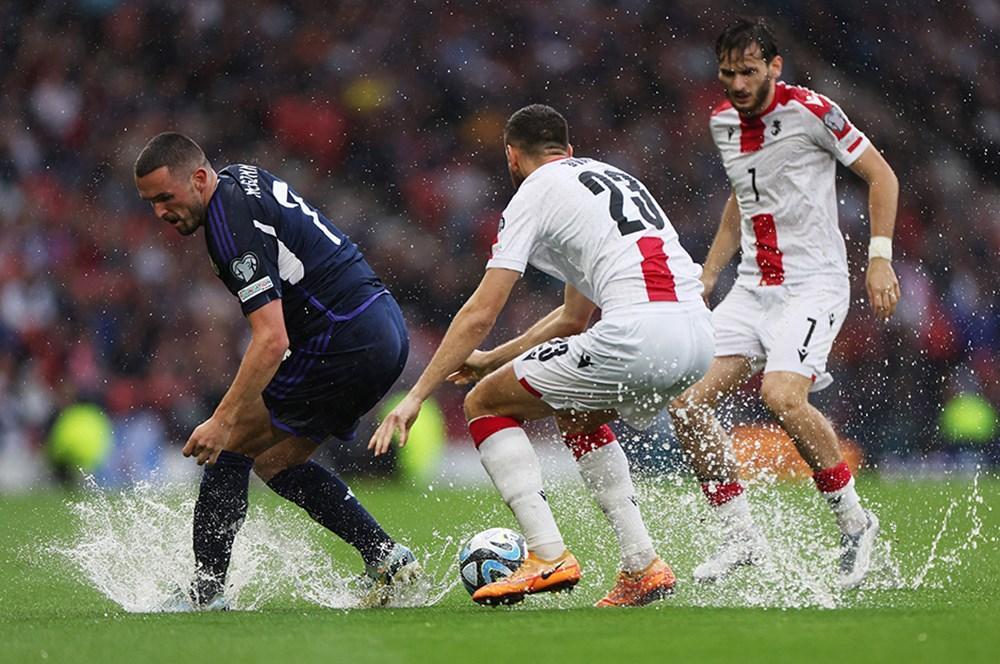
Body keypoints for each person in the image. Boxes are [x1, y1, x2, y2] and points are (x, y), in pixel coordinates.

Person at [370, 104, 714, 607]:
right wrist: (492, 359)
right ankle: (642, 564)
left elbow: (480, 311)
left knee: (484, 404)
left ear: (511, 157)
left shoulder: (534, 190)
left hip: (638, 334)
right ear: (567, 150)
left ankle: (547, 553)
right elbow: (573, 319)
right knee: (577, 407)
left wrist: (418, 393)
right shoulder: (608, 177)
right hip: (697, 337)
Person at [133, 132, 421, 610]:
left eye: (166, 196)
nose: (161, 211)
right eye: (150, 202)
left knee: (230, 446)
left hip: (343, 336)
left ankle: (205, 595)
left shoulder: (227, 223)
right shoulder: (243, 177)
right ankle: (387, 558)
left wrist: (223, 417)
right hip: (382, 326)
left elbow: (271, 339)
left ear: (199, 178)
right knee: (274, 461)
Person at [668, 18, 901, 589]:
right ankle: (740, 538)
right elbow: (742, 199)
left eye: (749, 71)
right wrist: (709, 272)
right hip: (752, 289)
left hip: (813, 285)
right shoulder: (722, 123)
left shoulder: (813, 110)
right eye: (728, 73)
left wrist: (879, 256)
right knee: (686, 406)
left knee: (780, 395)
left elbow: (881, 175)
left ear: (775, 66)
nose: (738, 84)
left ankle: (853, 523)